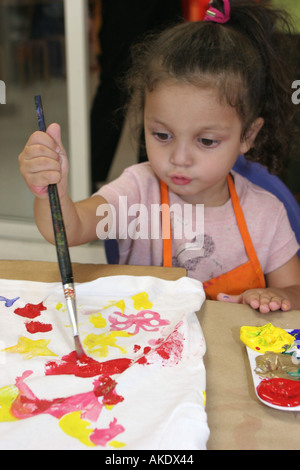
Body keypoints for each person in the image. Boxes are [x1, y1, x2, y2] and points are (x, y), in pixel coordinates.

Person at [19, 0, 300, 313]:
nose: (179, 157)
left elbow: (295, 290)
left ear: (247, 135)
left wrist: (275, 296)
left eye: (206, 141)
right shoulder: (138, 192)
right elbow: (69, 230)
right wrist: (50, 193)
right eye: (162, 135)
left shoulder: (267, 214)